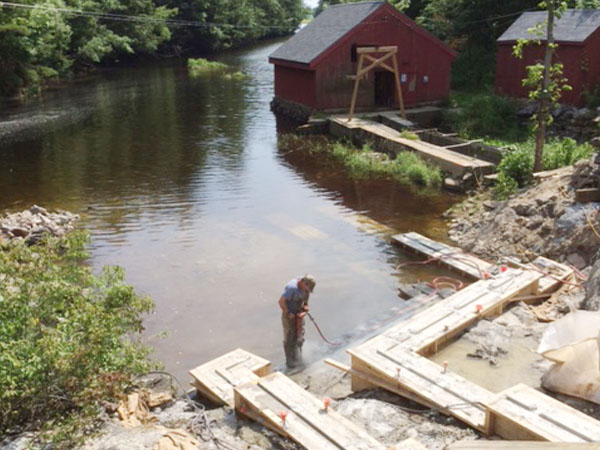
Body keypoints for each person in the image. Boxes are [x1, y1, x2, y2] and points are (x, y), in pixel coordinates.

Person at [278, 275, 316, 369]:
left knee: (299, 335)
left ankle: (298, 356)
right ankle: (289, 362)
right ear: (303, 283)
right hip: (289, 315)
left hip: (298, 313)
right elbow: (281, 301)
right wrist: (288, 312)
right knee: (289, 337)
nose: (307, 291)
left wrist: (306, 305)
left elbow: (307, 295)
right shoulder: (292, 288)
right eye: (307, 288)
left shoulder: (305, 287)